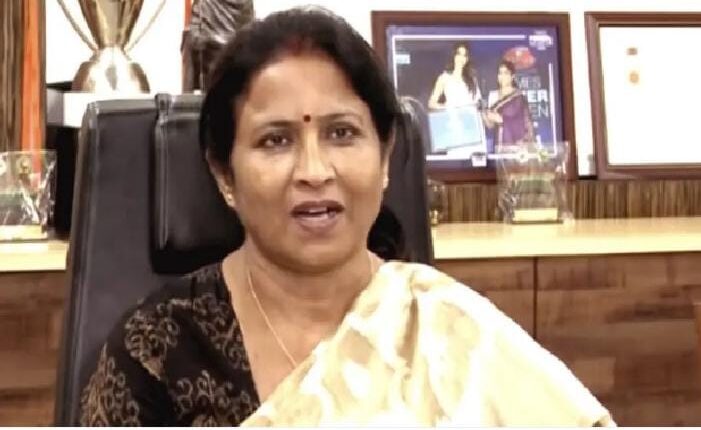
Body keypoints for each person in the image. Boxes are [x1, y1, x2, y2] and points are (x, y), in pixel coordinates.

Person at [79, 7, 613, 427]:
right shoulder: (155, 351)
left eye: (342, 133)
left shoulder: (453, 333)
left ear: (385, 157)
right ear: (225, 176)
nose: (314, 171)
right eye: (275, 140)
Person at [483, 60, 535, 149]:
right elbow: (490, 125)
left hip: (515, 146)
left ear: (512, 76)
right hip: (499, 144)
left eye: (506, 73)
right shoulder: (493, 95)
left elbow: (524, 123)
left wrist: (502, 119)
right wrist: (483, 113)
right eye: (500, 73)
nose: (502, 76)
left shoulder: (518, 97)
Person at [428, 42, 482, 110]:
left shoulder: (472, 79)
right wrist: (445, 107)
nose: (461, 58)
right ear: (454, 56)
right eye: (459, 54)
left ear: (467, 59)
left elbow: (478, 102)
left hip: (469, 114)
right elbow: (431, 103)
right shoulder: (444, 78)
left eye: (464, 55)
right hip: (452, 115)